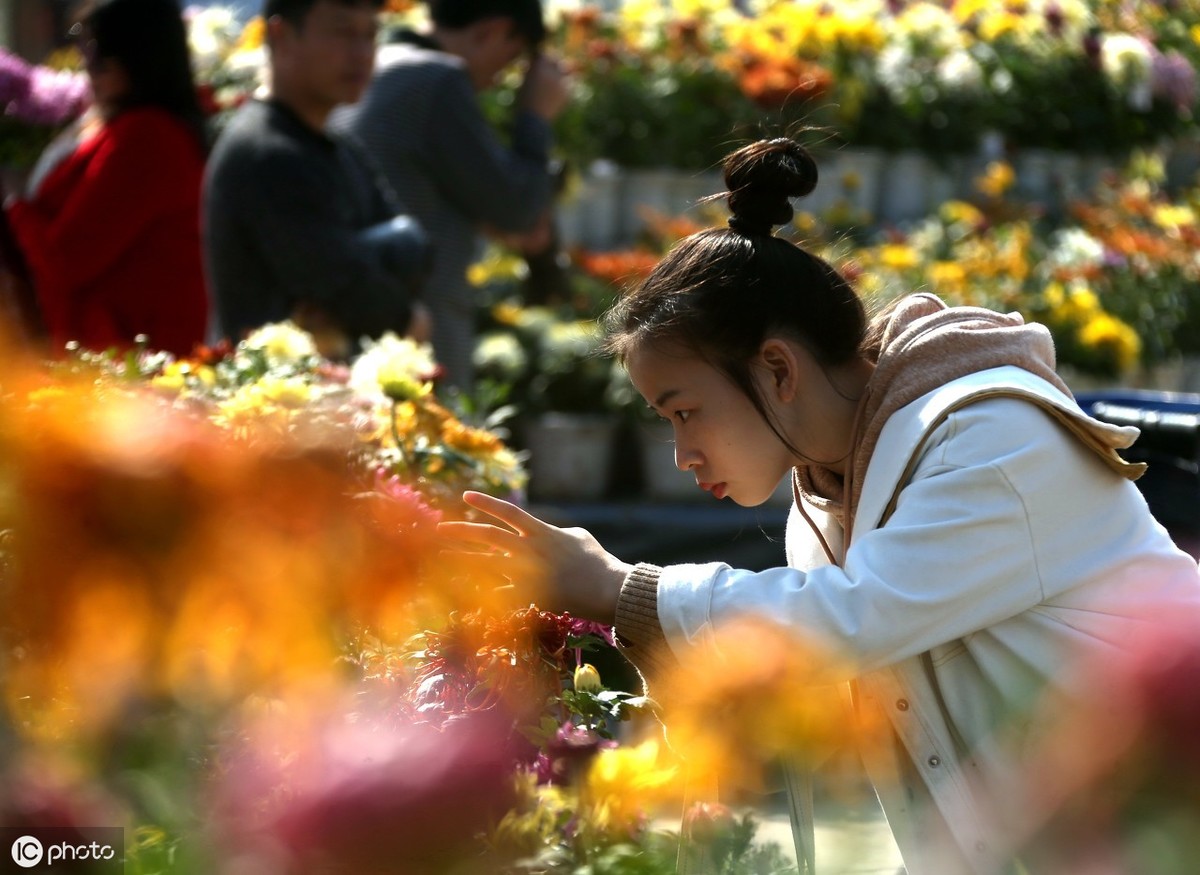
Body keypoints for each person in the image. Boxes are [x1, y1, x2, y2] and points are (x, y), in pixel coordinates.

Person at [441, 138, 1200, 873]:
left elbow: (851, 620)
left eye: (684, 411)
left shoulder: (989, 435)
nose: (683, 452)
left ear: (776, 368)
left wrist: (618, 588)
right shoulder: (829, 488)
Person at [331, 0, 569, 390]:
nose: (498, 80)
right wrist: (536, 117)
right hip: (418, 333)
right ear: (492, 30)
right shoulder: (436, 79)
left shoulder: (379, 66)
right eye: (509, 60)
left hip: (365, 316)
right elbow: (518, 208)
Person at [203, 0, 430, 356]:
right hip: (276, 402)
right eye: (342, 32)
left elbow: (415, 253)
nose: (361, 53)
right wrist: (402, 316)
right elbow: (348, 288)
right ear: (281, 35)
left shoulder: (340, 147)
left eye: (370, 35)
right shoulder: (268, 153)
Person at [3, 0, 209, 358]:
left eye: (96, 59)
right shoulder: (130, 127)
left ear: (134, 60)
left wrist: (14, 201)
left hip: (133, 363)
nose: (88, 71)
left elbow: (66, 260)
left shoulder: (149, 138)